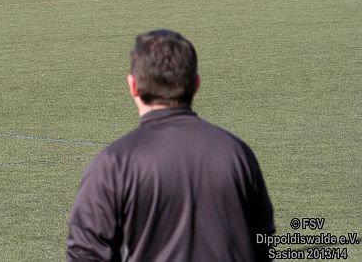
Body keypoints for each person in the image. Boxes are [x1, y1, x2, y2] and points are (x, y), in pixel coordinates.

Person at [67, 29, 275, 261]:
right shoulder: (237, 154)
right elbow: (263, 241)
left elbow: (85, 253)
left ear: (133, 86)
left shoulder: (113, 164)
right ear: (196, 84)